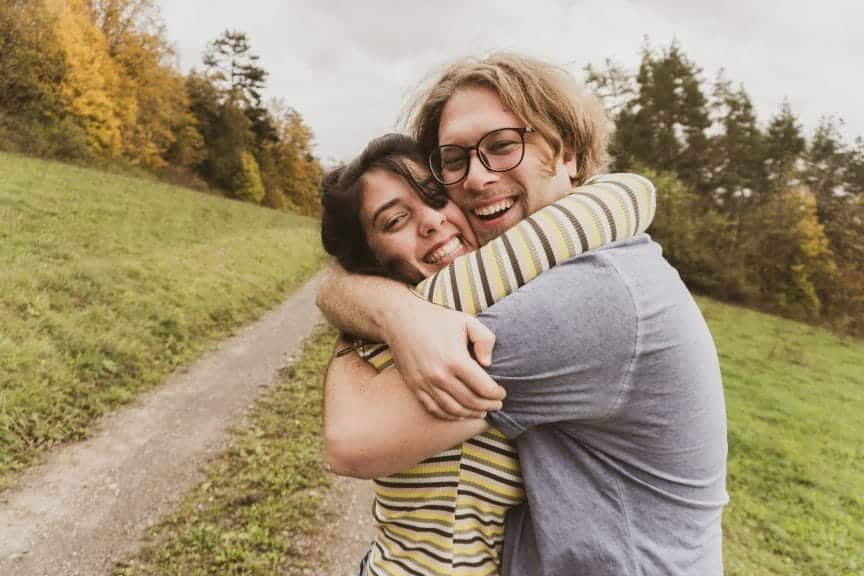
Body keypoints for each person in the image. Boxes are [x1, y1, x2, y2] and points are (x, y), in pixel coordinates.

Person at [318, 53, 728, 576]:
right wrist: (381, 306)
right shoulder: (544, 269)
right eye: (455, 159)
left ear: (569, 155)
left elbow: (354, 438)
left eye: (503, 146)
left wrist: (379, 309)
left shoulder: (587, 296)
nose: (478, 177)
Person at [320, 134, 657, 575]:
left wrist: (352, 294)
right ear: (371, 258)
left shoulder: (393, 320)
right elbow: (629, 197)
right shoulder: (456, 310)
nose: (431, 222)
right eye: (396, 220)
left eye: (436, 197)